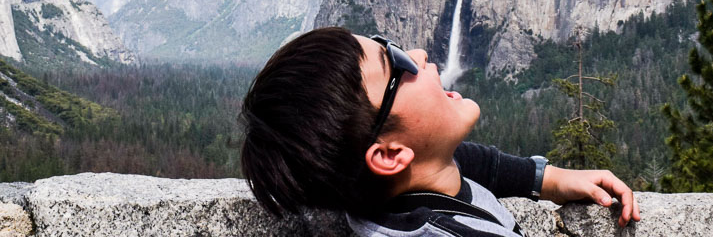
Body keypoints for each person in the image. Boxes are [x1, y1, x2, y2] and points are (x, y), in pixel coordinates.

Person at [241, 27, 640, 236]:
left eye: (389, 43)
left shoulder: (385, 189)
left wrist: (549, 179)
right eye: (396, 63)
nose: (418, 55)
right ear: (389, 155)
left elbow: (473, 164)